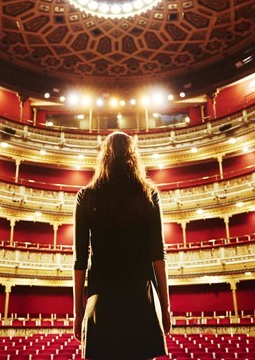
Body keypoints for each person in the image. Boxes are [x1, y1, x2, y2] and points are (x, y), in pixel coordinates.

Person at [73, 131, 171, 360]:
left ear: (104, 157)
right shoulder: (148, 194)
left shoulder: (86, 196)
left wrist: (77, 312)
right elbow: (158, 254)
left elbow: (80, 259)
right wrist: (165, 307)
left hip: (102, 301)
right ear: (133, 157)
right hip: (141, 301)